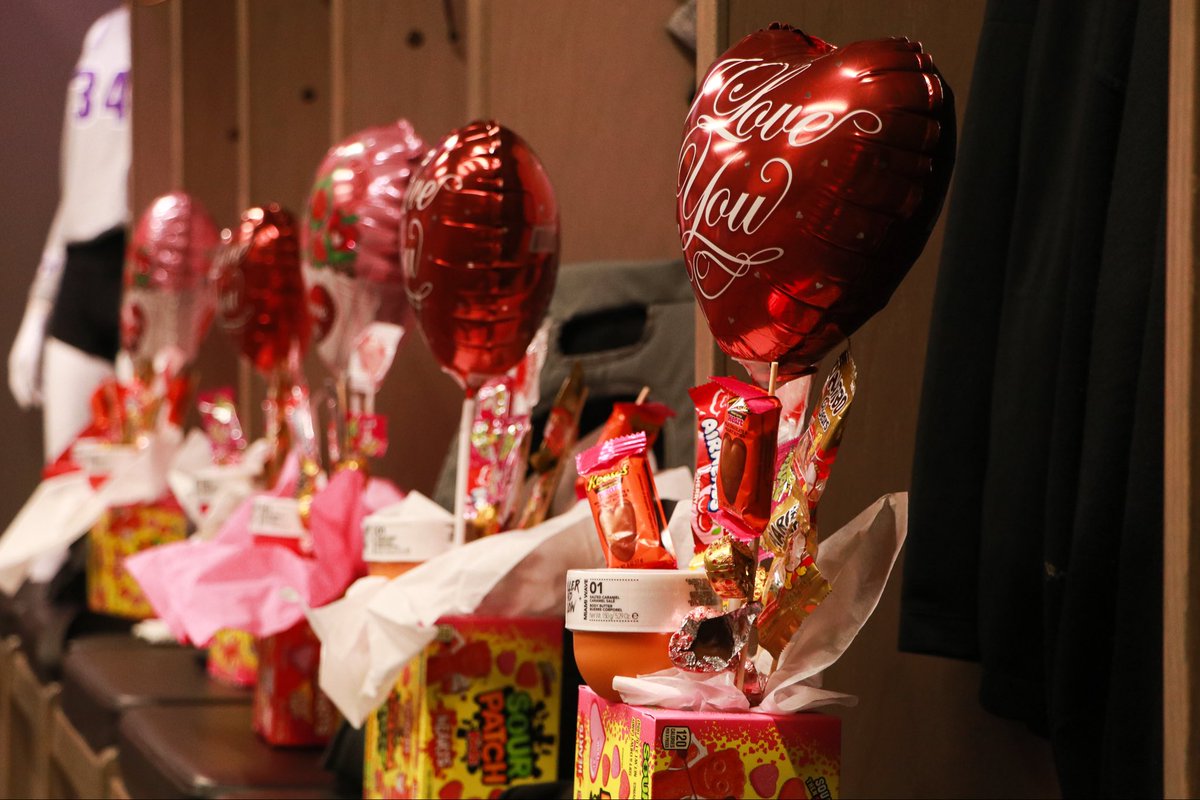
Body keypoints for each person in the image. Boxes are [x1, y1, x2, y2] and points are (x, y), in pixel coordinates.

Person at [8, 5, 130, 462]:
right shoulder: (103, 33)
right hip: (82, 267)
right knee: (63, 483)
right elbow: (77, 179)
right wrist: (40, 306)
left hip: (140, 264)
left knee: (140, 494)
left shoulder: (184, 34)